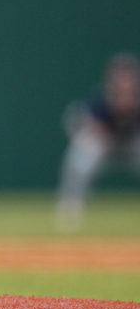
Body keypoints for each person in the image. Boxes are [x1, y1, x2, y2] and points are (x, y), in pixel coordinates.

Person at [56, 53, 140, 231]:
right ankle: (71, 211)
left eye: (128, 76)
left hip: (133, 145)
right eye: (120, 75)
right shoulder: (100, 100)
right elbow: (73, 120)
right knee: (80, 157)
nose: (124, 81)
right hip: (105, 145)